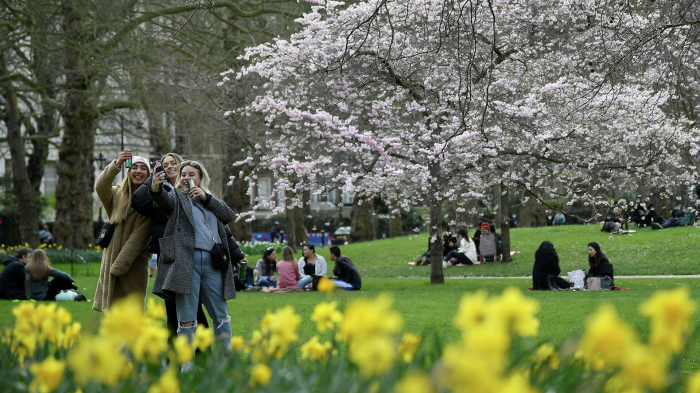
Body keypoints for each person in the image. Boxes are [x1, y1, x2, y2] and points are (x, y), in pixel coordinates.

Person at [149, 159, 236, 369]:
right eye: (184, 174)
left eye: (191, 174)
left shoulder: (210, 199)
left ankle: (228, 360)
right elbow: (162, 201)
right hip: (186, 263)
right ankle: (186, 364)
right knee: (186, 317)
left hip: (213, 263)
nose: (187, 178)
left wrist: (205, 197)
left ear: (200, 178)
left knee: (221, 315)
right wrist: (155, 187)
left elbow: (228, 215)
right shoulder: (176, 198)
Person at [131, 152, 211, 337]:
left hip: (191, 252)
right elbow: (138, 201)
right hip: (170, 254)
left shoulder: (195, 191)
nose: (169, 167)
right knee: (172, 306)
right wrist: (152, 178)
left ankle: (201, 353)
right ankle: (175, 355)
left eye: (173, 163)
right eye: (165, 164)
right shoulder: (161, 190)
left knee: (194, 305)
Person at [93, 150, 153, 312]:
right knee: (112, 313)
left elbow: (140, 236)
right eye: (134, 167)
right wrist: (117, 164)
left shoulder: (152, 199)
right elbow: (100, 187)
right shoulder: (117, 195)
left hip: (132, 262)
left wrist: (121, 265)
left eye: (143, 168)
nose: (138, 171)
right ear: (129, 171)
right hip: (111, 256)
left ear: (148, 173)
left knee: (131, 312)